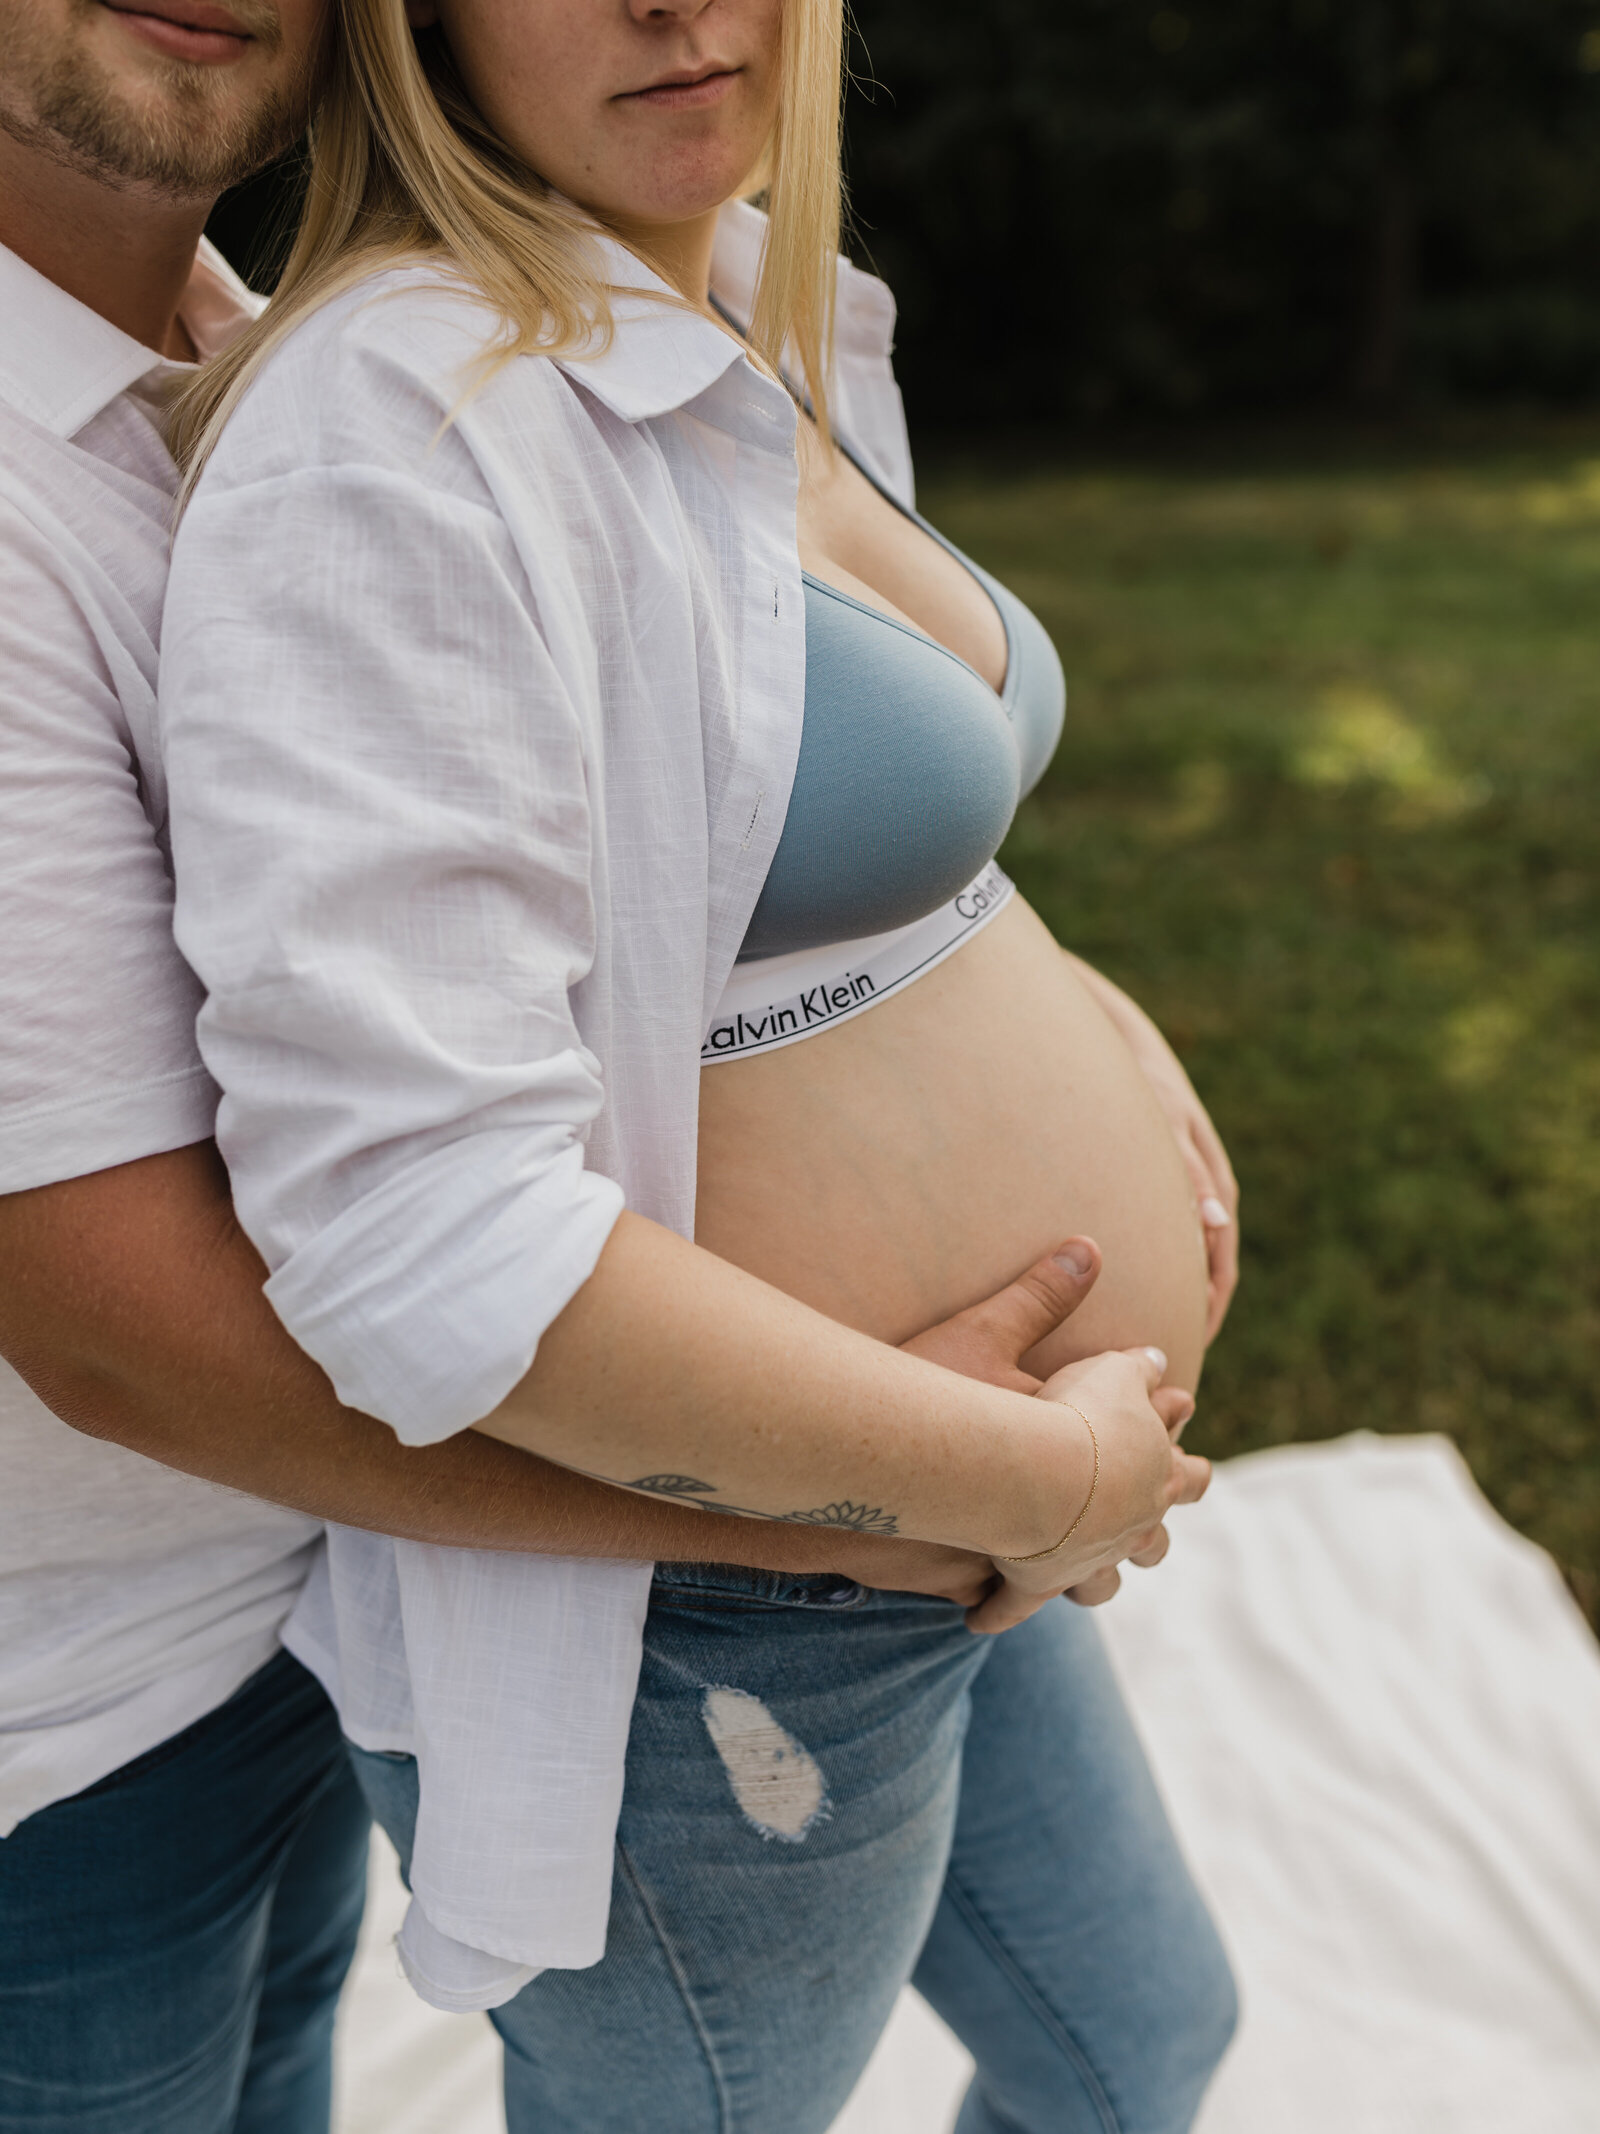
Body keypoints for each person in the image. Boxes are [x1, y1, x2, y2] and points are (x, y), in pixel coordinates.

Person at [0, 0, 1169, 2126]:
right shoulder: (351, 419)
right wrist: (912, 1491)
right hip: (88, 1716)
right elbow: (131, 1308)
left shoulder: (404, 334)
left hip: (324, 1579)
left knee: (1136, 2035)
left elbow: (703, 879)